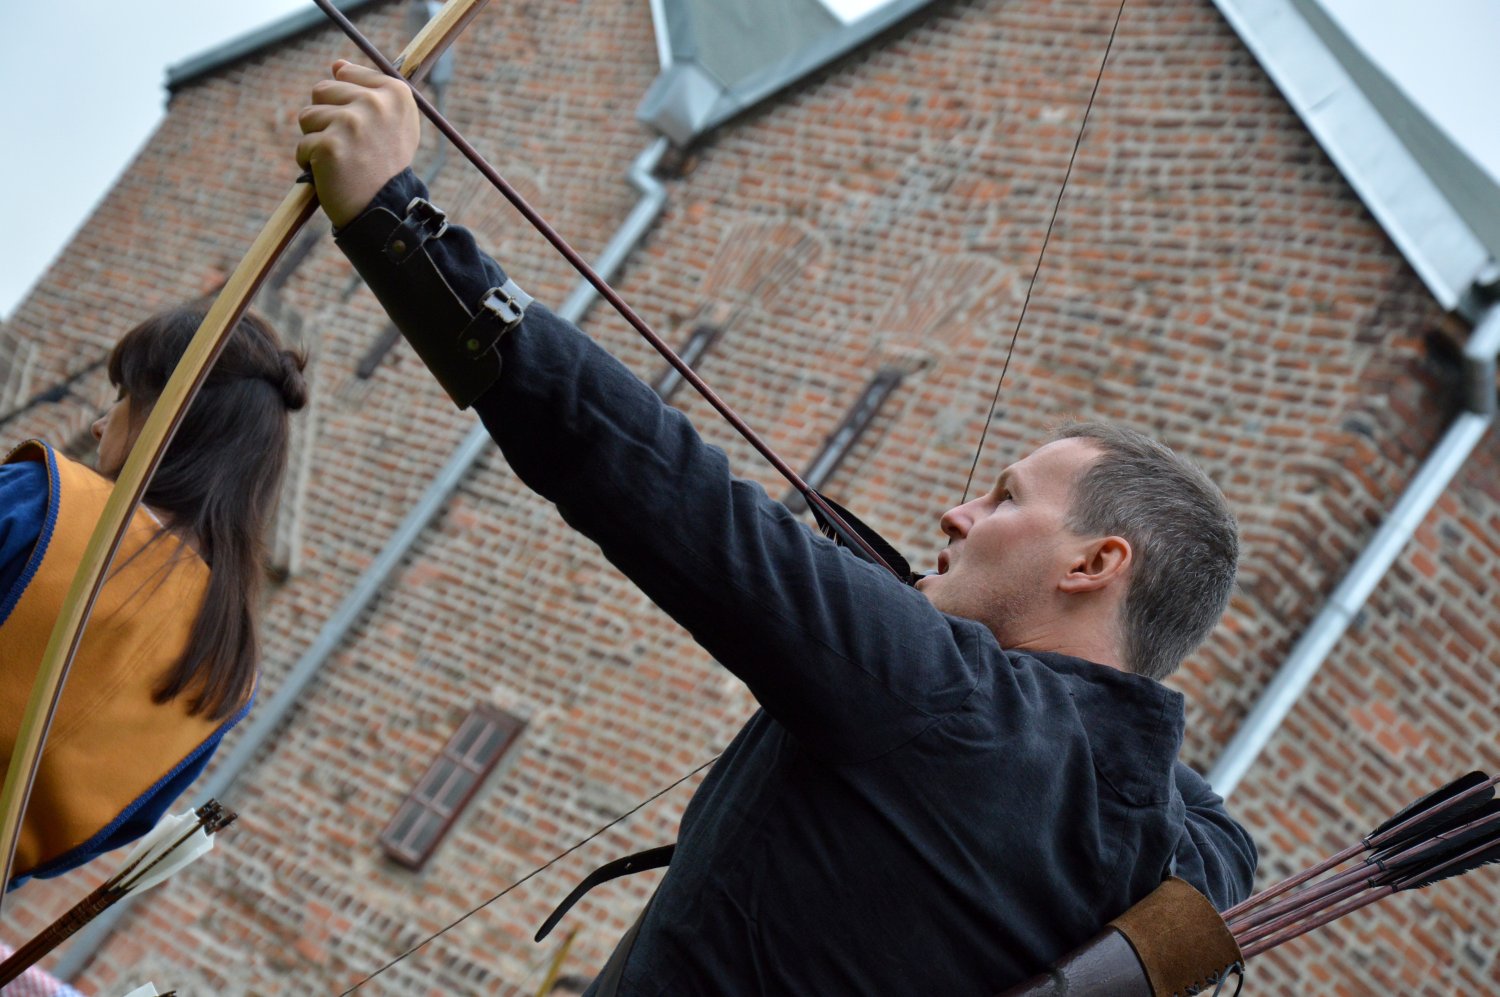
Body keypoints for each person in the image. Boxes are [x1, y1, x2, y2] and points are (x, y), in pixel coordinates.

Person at [298, 62, 1257, 994]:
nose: (959, 512)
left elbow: (659, 482)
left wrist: (393, 219)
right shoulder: (1170, 853)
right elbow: (1221, 837)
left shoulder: (950, 702)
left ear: (1095, 562)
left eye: (1006, 498)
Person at [0, 306, 306, 885]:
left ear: (170, 418)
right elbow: (109, 830)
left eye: (124, 397)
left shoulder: (45, 501)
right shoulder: (229, 667)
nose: (100, 424)